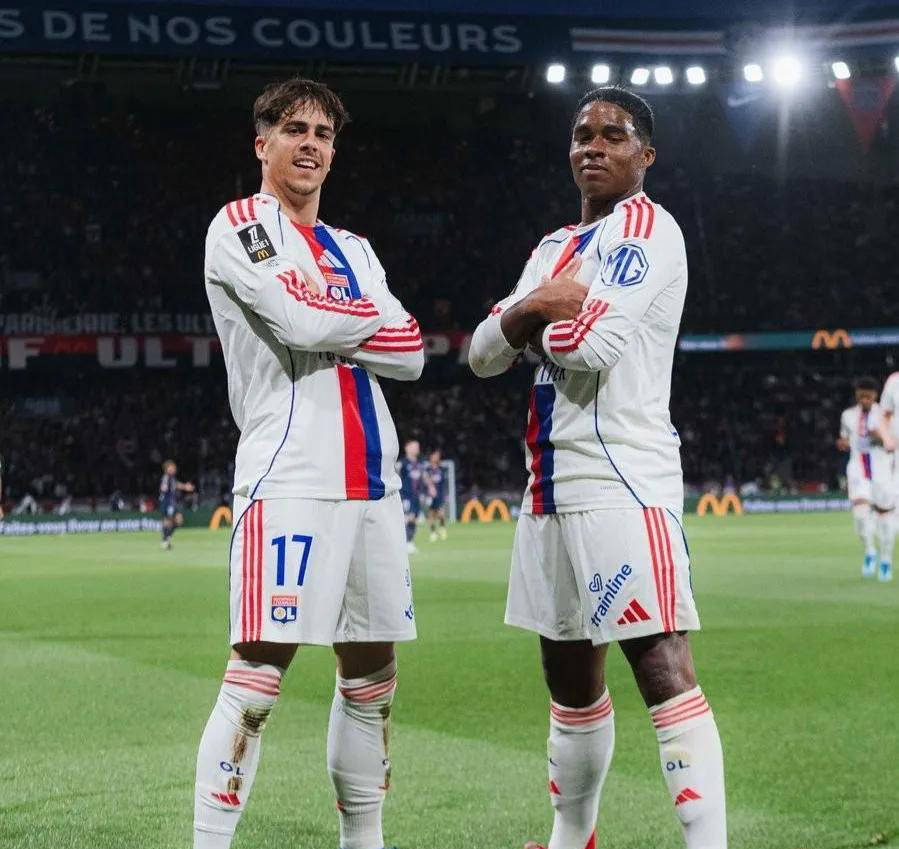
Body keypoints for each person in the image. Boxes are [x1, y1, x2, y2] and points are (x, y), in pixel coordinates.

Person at [469, 86, 726, 849]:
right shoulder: (551, 247)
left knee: (662, 667)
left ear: (645, 154)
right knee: (569, 684)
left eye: (613, 136)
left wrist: (521, 320)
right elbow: (479, 354)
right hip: (547, 488)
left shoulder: (647, 228)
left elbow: (591, 346)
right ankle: (571, 839)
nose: (593, 146)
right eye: (582, 134)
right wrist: (538, 305)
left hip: (621, 483)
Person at [196, 77, 424, 849]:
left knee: (372, 678)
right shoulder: (241, 226)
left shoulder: (354, 249)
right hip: (290, 470)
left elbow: (411, 350)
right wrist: (356, 318)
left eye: (323, 134)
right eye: (295, 129)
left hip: (373, 479)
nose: (311, 145)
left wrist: (323, 311)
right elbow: (294, 322)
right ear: (262, 143)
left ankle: (365, 841)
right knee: (257, 679)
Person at [837, 377, 894, 581]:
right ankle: (870, 551)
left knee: (885, 519)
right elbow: (845, 437)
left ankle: (886, 559)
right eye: (861, 396)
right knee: (860, 515)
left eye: (868, 397)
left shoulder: (886, 415)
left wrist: (880, 437)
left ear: (875, 396)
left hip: (882, 469)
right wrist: (843, 443)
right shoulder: (847, 415)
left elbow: (893, 443)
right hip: (858, 468)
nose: (864, 400)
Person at [159, 459, 195, 550]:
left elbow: (176, 485)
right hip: (167, 502)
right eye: (171, 467)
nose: (173, 469)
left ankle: (166, 538)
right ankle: (165, 540)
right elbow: (164, 487)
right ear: (167, 469)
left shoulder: (172, 478)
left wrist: (186, 487)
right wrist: (163, 489)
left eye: (173, 467)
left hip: (172, 503)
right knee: (168, 521)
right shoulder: (166, 477)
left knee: (178, 520)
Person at [398, 439, 423, 553]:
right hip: (406, 495)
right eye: (414, 446)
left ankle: (410, 541)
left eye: (417, 447)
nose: (416, 449)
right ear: (407, 448)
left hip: (416, 496)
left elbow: (422, 479)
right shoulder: (402, 463)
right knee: (407, 518)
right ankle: (405, 542)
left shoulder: (419, 463)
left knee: (414, 518)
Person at [423, 449, 448, 542]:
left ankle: (442, 528)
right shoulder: (427, 469)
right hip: (430, 496)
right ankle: (433, 532)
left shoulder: (441, 469)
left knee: (441, 514)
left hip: (440, 495)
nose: (436, 457)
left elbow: (444, 483)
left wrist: (445, 494)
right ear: (431, 457)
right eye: (435, 455)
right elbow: (424, 481)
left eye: (438, 456)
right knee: (431, 514)